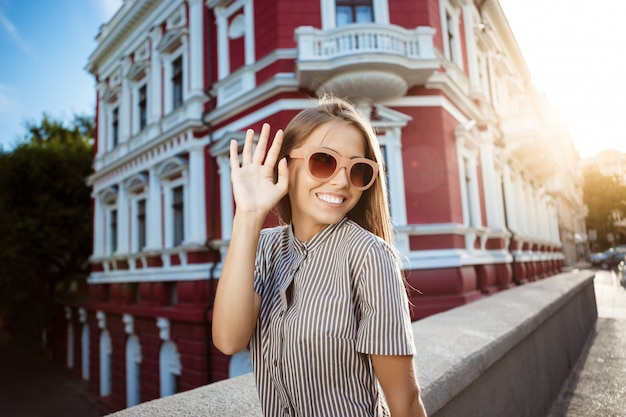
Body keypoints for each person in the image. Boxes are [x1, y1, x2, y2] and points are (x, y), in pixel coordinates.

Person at [212, 96, 428, 417]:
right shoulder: (263, 246)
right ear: (285, 165)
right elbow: (229, 340)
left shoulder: (369, 255)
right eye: (324, 162)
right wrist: (248, 215)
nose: (341, 181)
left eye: (358, 170)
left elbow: (405, 402)